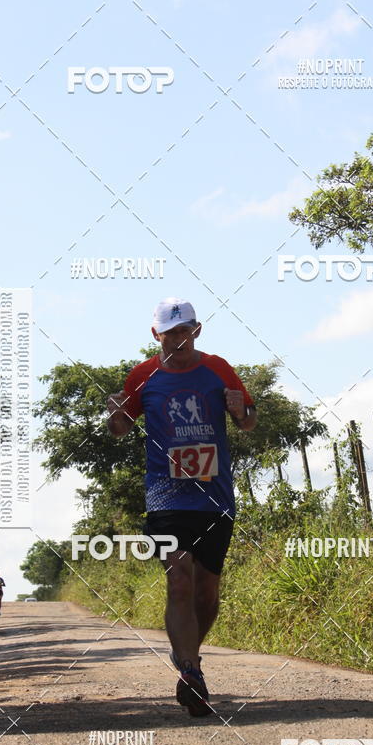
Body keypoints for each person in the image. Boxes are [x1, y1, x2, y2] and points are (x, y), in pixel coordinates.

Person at [107, 297, 257, 716]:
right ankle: (189, 669)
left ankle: (190, 657)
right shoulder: (142, 375)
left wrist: (239, 410)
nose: (178, 338)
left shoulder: (218, 368)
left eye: (184, 330)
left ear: (197, 330)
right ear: (156, 334)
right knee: (180, 577)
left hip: (214, 498)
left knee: (207, 593)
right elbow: (121, 429)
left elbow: (248, 421)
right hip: (165, 496)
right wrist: (115, 415)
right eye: (169, 332)